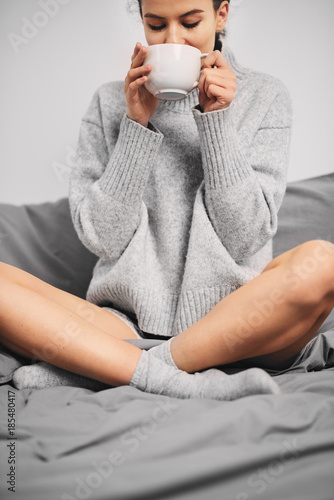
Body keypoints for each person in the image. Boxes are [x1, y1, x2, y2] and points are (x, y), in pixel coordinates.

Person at [1, 0, 334, 400]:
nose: (173, 39)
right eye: (156, 25)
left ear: (221, 15)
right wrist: (136, 126)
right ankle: (167, 377)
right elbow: (103, 240)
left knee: (324, 264)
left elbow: (244, 237)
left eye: (190, 22)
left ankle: (109, 369)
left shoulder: (265, 96)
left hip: (241, 329)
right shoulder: (110, 104)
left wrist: (216, 123)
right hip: (123, 328)